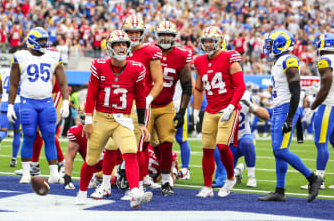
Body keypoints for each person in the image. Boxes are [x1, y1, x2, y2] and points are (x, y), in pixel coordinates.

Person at [74, 30, 152, 209]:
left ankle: (134, 193)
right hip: (101, 118)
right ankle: (82, 191)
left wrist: (141, 123)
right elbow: (91, 96)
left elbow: (140, 99)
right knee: (92, 159)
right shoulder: (99, 66)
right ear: (110, 47)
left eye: (124, 44)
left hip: (122, 119)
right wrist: (87, 121)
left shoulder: (136, 68)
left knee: (130, 151)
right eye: (117, 44)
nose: (122, 47)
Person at [90, 15, 163, 201]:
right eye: (130, 32)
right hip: (115, 107)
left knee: (136, 148)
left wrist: (146, 100)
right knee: (111, 147)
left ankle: (136, 185)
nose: (133, 35)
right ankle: (106, 184)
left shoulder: (150, 51)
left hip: (137, 105)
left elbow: (158, 82)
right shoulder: (116, 48)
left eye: (137, 32)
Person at [258, 29, 323, 202]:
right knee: (277, 151)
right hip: (280, 108)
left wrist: (289, 117)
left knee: (281, 149)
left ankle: (313, 178)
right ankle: (280, 191)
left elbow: (296, 91)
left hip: (287, 109)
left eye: (272, 44)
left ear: (281, 44)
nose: (269, 47)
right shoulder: (279, 61)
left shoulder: (289, 59)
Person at [7, 27, 70, 184]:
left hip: (47, 101)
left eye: (44, 40)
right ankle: (27, 172)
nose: (44, 43)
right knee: (29, 135)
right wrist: (10, 105)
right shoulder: (20, 56)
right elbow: (14, 84)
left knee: (49, 136)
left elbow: (63, 83)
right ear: (32, 41)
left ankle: (54, 173)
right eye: (40, 40)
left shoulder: (53, 56)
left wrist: (66, 102)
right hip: (28, 101)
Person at [193, 26, 246, 198]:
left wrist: (231, 106)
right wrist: (195, 110)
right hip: (210, 110)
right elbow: (199, 88)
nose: (208, 45)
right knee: (207, 149)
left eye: (211, 41)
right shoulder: (199, 61)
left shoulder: (230, 57)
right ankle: (207, 186)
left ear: (220, 42)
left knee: (222, 146)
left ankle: (230, 178)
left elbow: (241, 86)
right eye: (205, 41)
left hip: (228, 108)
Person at [149, 20, 192, 195]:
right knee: (142, 144)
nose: (166, 38)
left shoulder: (181, 56)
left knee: (167, 144)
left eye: (169, 35)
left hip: (167, 105)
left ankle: (167, 181)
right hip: (147, 105)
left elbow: (187, 85)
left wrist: (182, 111)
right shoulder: (148, 51)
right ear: (157, 36)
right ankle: (137, 178)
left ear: (175, 37)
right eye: (162, 35)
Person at [214, 90, 270, 188]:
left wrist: (251, 105)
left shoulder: (246, 95)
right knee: (221, 178)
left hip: (243, 138)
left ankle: (251, 177)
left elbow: (266, 116)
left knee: (247, 142)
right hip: (226, 144)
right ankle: (238, 171)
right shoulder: (219, 93)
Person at [301, 33, 334, 190]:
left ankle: (319, 179)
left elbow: (327, 86)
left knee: (321, 142)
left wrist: (312, 106)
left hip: (328, 106)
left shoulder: (325, 60)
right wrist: (315, 88)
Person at [64, 102, 104, 189]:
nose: (86, 120)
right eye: (83, 117)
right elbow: (70, 157)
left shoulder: (107, 128)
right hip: (93, 170)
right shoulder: (77, 132)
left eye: (88, 117)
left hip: (114, 167)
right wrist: (67, 178)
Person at [0, 69, 22, 168]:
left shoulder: (3, 72)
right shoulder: (23, 71)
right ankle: (14, 159)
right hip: (18, 103)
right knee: (17, 132)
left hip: (5, 102)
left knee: (3, 130)